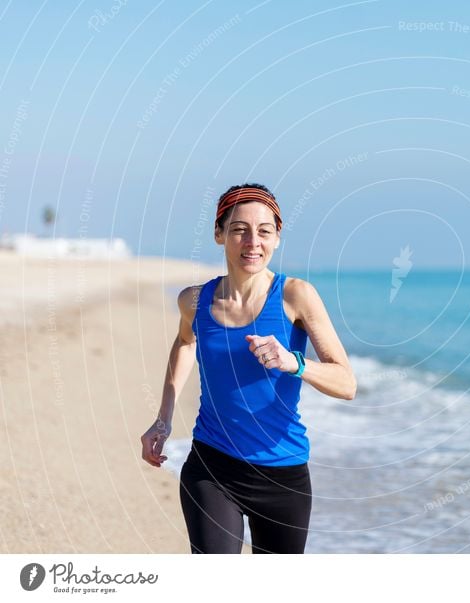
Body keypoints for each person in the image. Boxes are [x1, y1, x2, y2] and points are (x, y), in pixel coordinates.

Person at [140, 183, 357, 554]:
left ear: (277, 237)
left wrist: (295, 363)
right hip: (211, 466)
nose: (252, 241)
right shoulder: (194, 301)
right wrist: (164, 417)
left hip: (282, 475)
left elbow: (346, 382)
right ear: (219, 234)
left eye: (264, 231)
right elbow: (186, 342)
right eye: (239, 229)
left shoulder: (296, 296)